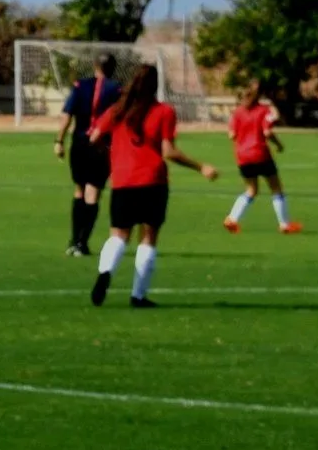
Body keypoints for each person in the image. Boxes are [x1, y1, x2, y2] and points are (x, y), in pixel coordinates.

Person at [84, 62, 219, 307]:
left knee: (118, 235)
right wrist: (201, 167)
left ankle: (105, 272)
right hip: (153, 181)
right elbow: (168, 151)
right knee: (148, 237)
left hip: (123, 180)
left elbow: (93, 138)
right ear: (156, 85)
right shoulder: (163, 112)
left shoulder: (117, 110)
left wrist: (113, 154)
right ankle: (138, 295)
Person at [52, 53, 121, 257]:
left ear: (94, 65)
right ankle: (82, 243)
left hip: (79, 144)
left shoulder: (80, 86)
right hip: (102, 146)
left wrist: (59, 141)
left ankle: (74, 240)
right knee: (93, 192)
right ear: (113, 68)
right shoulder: (116, 90)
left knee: (79, 190)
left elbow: (66, 115)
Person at [224, 82, 301, 234]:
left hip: (243, 156)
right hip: (260, 154)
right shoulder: (262, 110)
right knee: (276, 188)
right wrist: (279, 145)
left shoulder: (237, 113)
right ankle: (284, 224)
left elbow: (231, 135)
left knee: (251, 190)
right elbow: (267, 132)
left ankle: (232, 219)